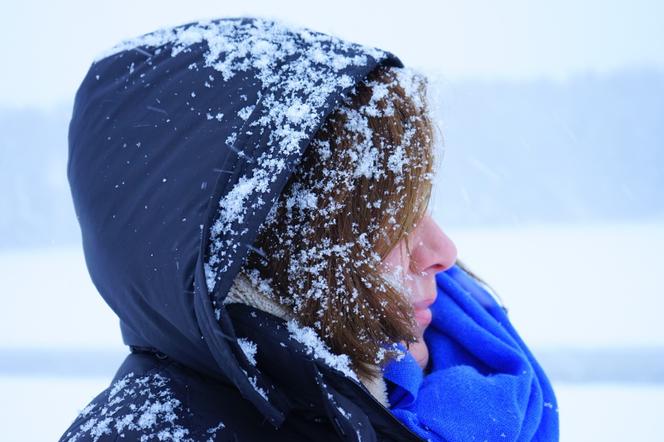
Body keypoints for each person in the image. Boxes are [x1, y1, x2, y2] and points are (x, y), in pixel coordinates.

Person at [60, 16, 558, 441]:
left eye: (421, 207)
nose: (443, 252)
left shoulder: (466, 376)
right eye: (389, 222)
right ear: (269, 253)